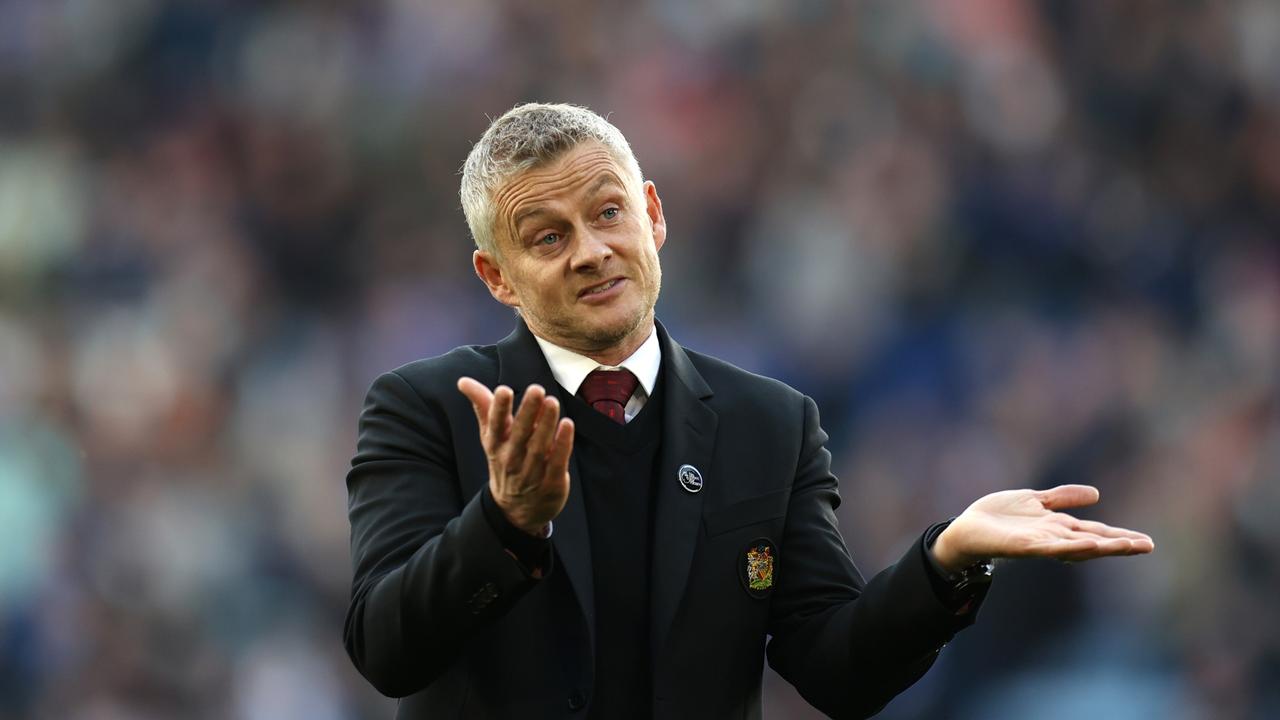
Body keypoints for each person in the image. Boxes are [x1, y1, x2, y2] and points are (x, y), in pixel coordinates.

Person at [343, 103, 1154, 719]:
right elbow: (386, 649)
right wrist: (507, 523)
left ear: (653, 216)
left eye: (607, 212)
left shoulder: (770, 423)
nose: (591, 250)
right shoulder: (426, 410)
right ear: (497, 276)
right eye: (547, 237)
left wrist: (948, 558)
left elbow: (838, 670)